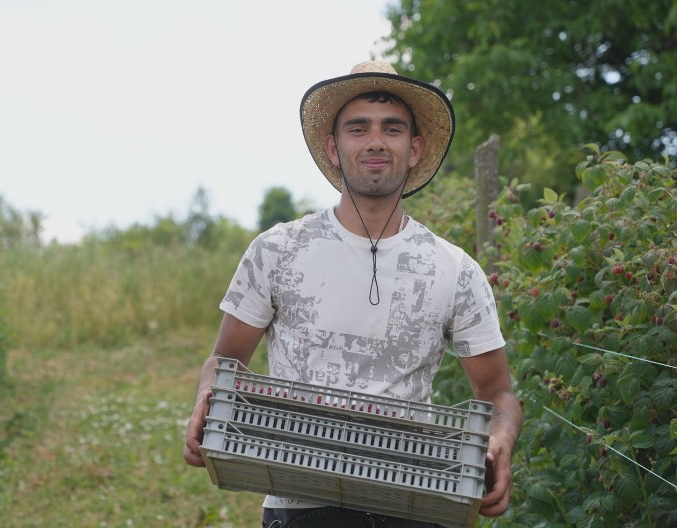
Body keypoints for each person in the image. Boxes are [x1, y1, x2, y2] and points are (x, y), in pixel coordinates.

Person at [182, 61, 522, 527]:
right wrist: (207, 394)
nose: (376, 142)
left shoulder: (455, 270)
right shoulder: (278, 251)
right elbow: (226, 361)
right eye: (358, 128)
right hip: (297, 501)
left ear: (415, 148)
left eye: (392, 128)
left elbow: (497, 390)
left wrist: (500, 437)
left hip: (413, 503)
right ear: (333, 147)